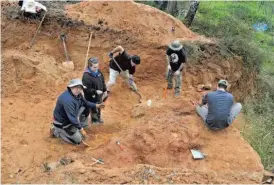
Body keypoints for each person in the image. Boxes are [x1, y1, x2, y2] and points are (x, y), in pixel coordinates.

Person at [51, 79, 104, 145]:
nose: (78, 89)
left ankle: (81, 126)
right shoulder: (68, 100)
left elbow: (85, 103)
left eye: (80, 87)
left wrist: (96, 105)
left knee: (85, 107)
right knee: (78, 140)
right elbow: (72, 118)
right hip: (63, 123)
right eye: (75, 87)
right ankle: (57, 132)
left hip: (71, 116)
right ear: (70, 87)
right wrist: (81, 130)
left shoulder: (78, 94)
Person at [82, 57, 107, 124]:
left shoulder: (98, 72)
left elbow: (102, 81)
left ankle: (98, 117)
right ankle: (95, 120)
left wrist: (105, 90)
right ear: (90, 66)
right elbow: (86, 90)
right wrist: (95, 91)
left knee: (99, 107)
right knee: (94, 109)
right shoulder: (86, 76)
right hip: (91, 97)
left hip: (99, 96)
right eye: (94, 67)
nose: (97, 68)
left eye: (97, 66)